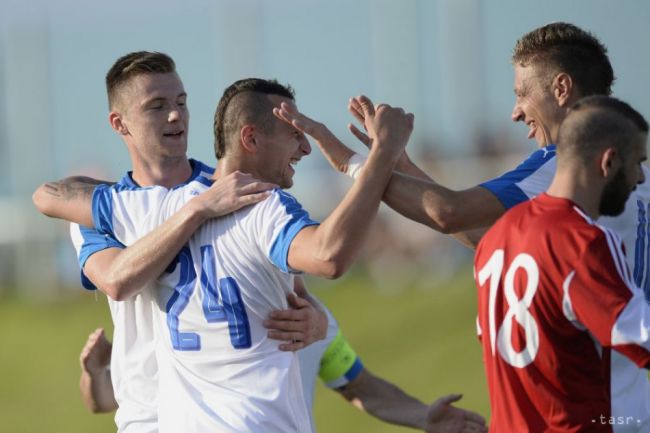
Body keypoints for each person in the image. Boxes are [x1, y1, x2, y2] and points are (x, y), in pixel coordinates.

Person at [275, 22, 650, 431]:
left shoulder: (559, 169)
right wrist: (397, 164)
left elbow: (450, 213)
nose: (515, 111)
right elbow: (471, 228)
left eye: (522, 92)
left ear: (561, 89)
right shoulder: (624, 178)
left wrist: (361, 162)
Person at [32, 52, 317, 433]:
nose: (175, 116)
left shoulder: (229, 189)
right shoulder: (99, 214)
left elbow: (293, 291)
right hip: (145, 421)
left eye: (181, 102)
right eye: (157, 106)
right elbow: (116, 281)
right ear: (120, 123)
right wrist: (197, 211)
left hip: (226, 418)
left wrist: (315, 321)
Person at [475, 95, 650, 432]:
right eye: (637, 163)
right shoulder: (584, 241)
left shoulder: (495, 238)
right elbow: (640, 337)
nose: (640, 179)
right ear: (609, 162)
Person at [80, 320, 485, 432]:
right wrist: (96, 371)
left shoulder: (315, 322)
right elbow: (105, 400)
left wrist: (419, 415)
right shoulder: (192, 317)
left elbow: (356, 383)